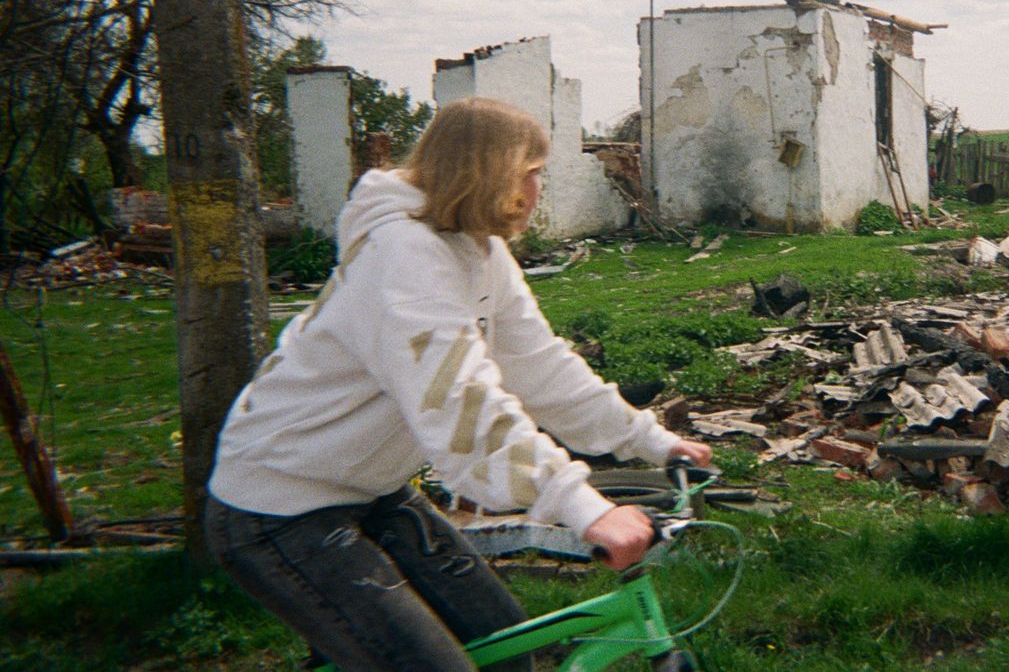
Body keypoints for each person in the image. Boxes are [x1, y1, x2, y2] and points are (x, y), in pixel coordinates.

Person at [205, 97, 712, 671]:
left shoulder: (477, 249)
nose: (536, 188)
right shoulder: (402, 256)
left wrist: (650, 440)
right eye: (530, 172)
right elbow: (459, 402)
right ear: (490, 172)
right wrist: (579, 505)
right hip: (280, 505)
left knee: (508, 653)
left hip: (371, 489)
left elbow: (541, 366)